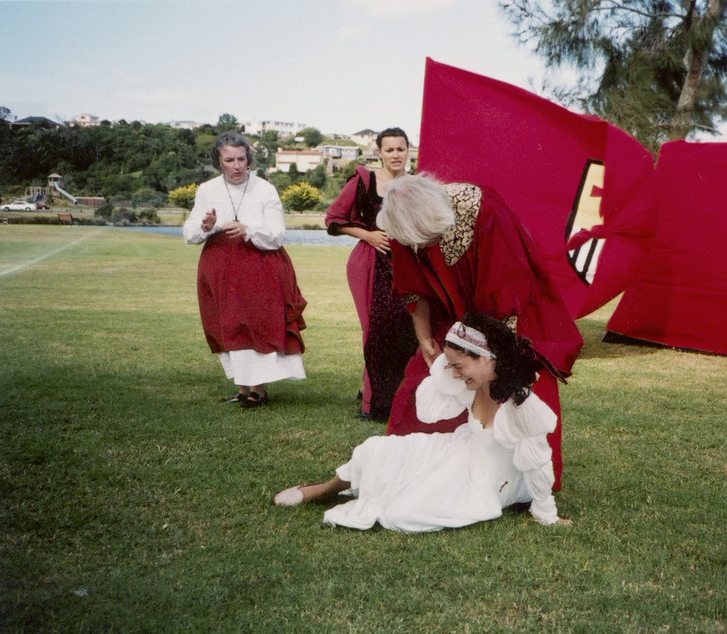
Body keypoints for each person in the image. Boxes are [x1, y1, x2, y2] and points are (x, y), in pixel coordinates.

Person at [376, 173, 583, 490]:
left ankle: (524, 485)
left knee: (515, 390)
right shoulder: (400, 222)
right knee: (423, 384)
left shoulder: (485, 209)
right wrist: (425, 337)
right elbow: (413, 289)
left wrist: (490, 357)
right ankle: (412, 470)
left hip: (507, 316)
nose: (422, 247)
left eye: (428, 240)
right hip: (451, 314)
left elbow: (506, 290)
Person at [273, 313, 573, 532]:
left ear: (486, 358)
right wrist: (449, 370)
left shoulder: (520, 404)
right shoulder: (471, 382)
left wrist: (546, 513)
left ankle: (362, 491)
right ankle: (325, 489)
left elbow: (537, 461)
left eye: (458, 366)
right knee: (380, 450)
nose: (453, 373)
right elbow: (430, 413)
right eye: (450, 365)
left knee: (406, 511)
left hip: (488, 480)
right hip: (459, 449)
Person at [182, 131, 307, 408]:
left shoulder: (264, 189)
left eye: (241, 159)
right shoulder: (207, 190)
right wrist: (206, 226)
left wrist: (248, 229)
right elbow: (190, 233)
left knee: (252, 324)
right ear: (219, 162)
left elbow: (277, 234)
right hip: (218, 265)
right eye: (229, 160)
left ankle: (258, 390)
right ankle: (242, 388)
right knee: (226, 325)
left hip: (258, 264)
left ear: (248, 159)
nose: (237, 166)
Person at [325, 127, 417, 421]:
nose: (396, 155)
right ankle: (372, 403)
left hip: (405, 264)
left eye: (400, 149)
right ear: (379, 152)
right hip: (369, 262)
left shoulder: (416, 184)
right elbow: (334, 220)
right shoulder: (365, 181)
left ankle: (389, 394)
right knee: (375, 330)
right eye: (389, 150)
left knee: (404, 330)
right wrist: (368, 235)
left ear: (408, 150)